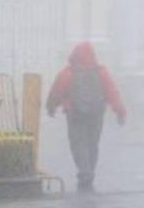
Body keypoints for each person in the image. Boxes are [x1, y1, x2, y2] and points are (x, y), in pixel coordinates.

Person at [46, 42, 126, 191]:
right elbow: (112, 92)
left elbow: (56, 92)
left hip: (75, 114)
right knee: (92, 144)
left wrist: (51, 107)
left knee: (78, 144)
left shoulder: (68, 73)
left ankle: (84, 172)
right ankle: (90, 171)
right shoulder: (101, 72)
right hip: (96, 114)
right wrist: (120, 111)